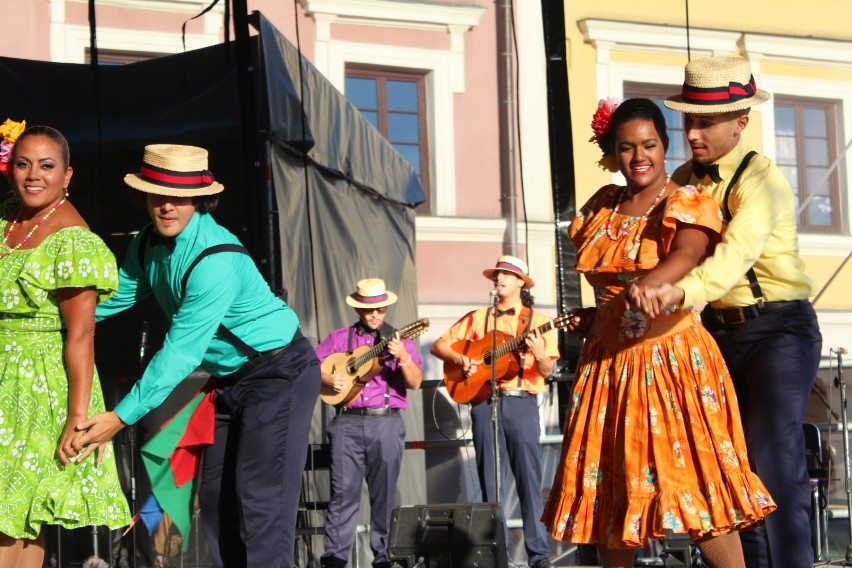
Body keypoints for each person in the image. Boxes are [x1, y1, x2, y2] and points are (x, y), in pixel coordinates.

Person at [541, 98, 776, 568]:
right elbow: (611, 286)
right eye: (626, 148)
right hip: (608, 368)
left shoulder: (687, 201)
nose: (639, 156)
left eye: (649, 144)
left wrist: (656, 281)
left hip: (672, 363)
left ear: (665, 146)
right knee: (611, 492)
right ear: (613, 152)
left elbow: (688, 252)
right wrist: (600, 315)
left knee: (697, 487)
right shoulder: (600, 210)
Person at [72, 144, 321, 568]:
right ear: (144, 196)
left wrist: (121, 416)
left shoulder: (215, 260)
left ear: (200, 200)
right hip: (231, 381)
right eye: (157, 193)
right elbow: (113, 300)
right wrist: (39, 318)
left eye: (181, 197)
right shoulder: (148, 243)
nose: (168, 205)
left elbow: (180, 352)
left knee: (259, 500)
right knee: (216, 497)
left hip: (280, 372)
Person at [631, 57, 823, 568]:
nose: (692, 133)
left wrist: (679, 292)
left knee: (773, 460)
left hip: (778, 330)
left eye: (705, 122)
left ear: (740, 120)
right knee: (727, 467)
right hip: (713, 337)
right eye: (688, 120)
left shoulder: (762, 179)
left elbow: (731, 257)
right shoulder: (680, 179)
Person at [0, 123, 130, 567]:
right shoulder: (7, 219)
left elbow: (80, 334)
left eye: (47, 166)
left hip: (38, 388)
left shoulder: (73, 238)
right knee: (15, 518)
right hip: (4, 376)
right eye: (23, 164)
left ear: (67, 176)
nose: (33, 175)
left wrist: (78, 417)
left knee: (12, 514)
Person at [430, 255, 558, 568]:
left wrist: (540, 355)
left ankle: (538, 555)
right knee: (490, 481)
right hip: (484, 402)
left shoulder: (538, 321)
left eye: (505, 275)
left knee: (529, 479)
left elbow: (546, 368)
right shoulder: (478, 318)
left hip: (521, 401)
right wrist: (462, 360)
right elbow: (439, 346)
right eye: (497, 275)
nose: (498, 280)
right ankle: (493, 553)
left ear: (520, 283)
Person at [316, 278, 424, 568]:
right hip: (347, 423)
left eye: (380, 309)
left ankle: (383, 557)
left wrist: (402, 357)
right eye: (368, 310)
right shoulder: (340, 338)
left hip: (385, 422)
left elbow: (415, 382)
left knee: (384, 492)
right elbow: (311, 367)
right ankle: (335, 559)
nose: (375, 315)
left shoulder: (401, 339)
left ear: (386, 308)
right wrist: (326, 377)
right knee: (343, 493)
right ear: (359, 310)